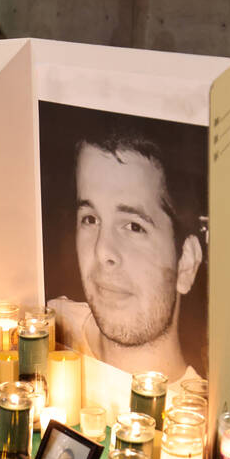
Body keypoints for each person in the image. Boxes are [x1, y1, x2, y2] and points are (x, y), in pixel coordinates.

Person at [48, 130, 205, 381]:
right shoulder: (43, 334)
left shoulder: (198, 413)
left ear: (186, 263)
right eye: (90, 219)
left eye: (134, 226)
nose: (102, 251)